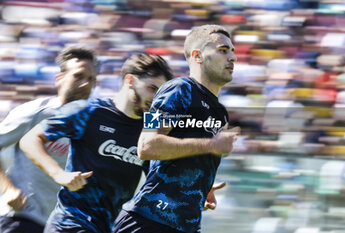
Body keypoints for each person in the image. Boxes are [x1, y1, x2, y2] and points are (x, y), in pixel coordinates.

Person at [19, 53, 174, 233]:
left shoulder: (151, 125)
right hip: (71, 224)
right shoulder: (88, 111)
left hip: (111, 227)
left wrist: (196, 193)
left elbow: (160, 176)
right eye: (152, 88)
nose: (157, 98)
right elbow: (30, 139)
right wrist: (58, 174)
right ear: (130, 80)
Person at [113, 24, 238, 233]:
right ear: (197, 56)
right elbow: (147, 145)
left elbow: (188, 155)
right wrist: (211, 144)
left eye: (233, 52)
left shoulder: (220, 113)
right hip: (147, 222)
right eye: (223, 51)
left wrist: (201, 186)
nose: (232, 58)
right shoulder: (175, 89)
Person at [0, 46, 97, 233]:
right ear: (59, 79)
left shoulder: (95, 122)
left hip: (64, 225)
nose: (85, 84)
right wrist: (8, 189)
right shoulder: (35, 113)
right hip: (22, 218)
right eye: (78, 76)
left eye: (91, 79)